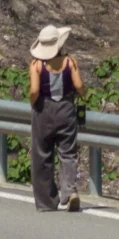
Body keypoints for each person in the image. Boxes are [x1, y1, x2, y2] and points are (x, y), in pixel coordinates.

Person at [29, 24, 84, 212]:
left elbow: (34, 90)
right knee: (68, 152)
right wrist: (83, 94)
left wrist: (33, 104)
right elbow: (79, 85)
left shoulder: (36, 65)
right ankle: (70, 191)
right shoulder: (70, 62)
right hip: (66, 109)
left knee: (42, 154)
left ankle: (47, 201)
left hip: (44, 109)